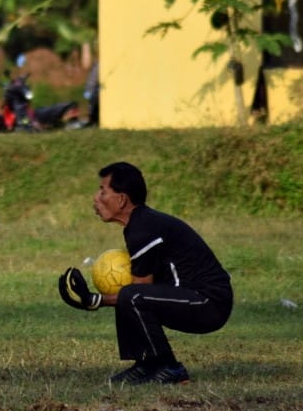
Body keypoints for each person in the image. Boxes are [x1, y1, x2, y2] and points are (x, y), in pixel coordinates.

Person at [58, 162, 233, 385]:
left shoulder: (143, 229)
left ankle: (170, 368)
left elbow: (141, 290)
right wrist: (97, 300)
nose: (96, 197)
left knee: (132, 295)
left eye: (103, 191)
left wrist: (94, 301)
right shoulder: (142, 223)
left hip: (209, 303)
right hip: (193, 297)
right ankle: (146, 364)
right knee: (129, 295)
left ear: (121, 199)